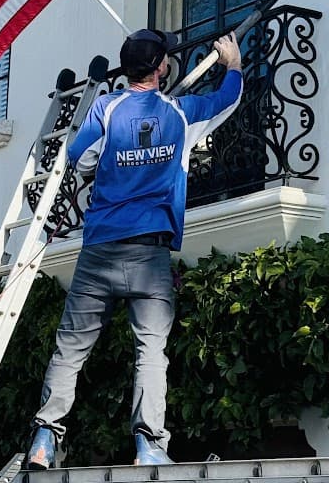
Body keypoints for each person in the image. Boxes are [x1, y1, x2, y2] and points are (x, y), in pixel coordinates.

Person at [26, 27, 243, 469]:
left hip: (100, 249)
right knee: (151, 350)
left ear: (127, 69)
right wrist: (233, 63)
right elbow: (227, 100)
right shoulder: (182, 114)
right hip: (150, 255)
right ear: (162, 67)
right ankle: (149, 445)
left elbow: (79, 156)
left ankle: (44, 441)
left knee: (71, 348)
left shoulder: (106, 109)